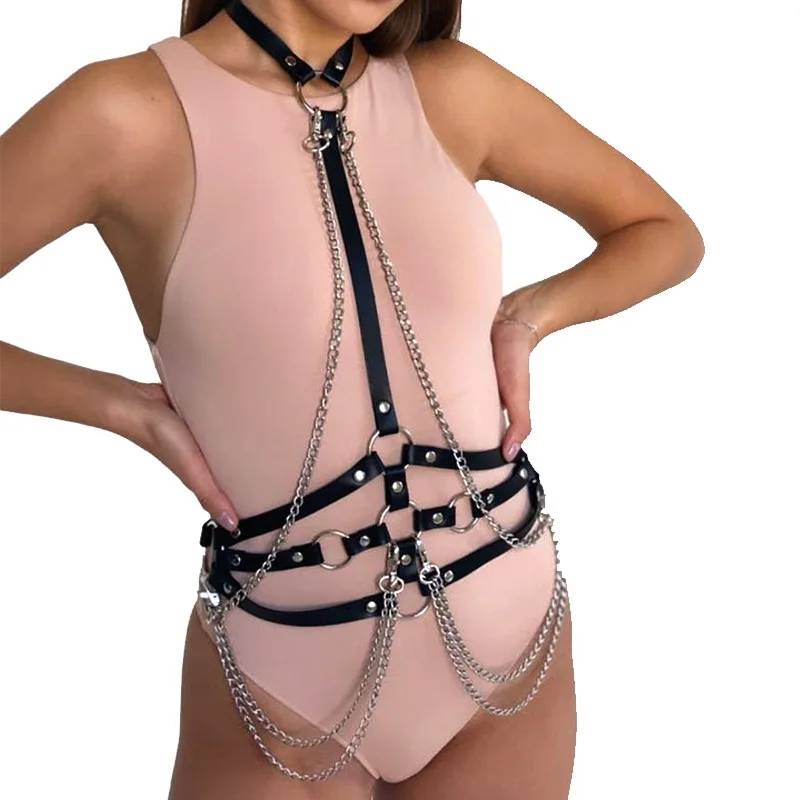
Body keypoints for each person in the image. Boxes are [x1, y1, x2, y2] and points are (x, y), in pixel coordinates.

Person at [0, 1, 705, 798]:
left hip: (506, 636)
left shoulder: (453, 89)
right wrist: (122, 408)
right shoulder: (122, 115)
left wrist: (529, 317)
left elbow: (663, 230)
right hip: (284, 673)